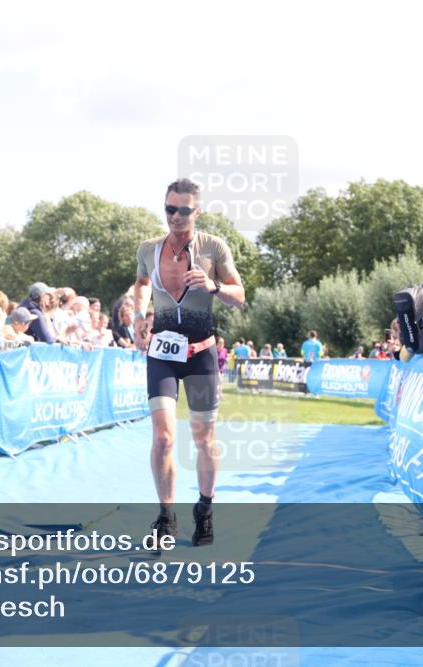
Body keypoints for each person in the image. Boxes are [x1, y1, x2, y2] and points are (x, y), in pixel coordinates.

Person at [133, 178, 245, 547]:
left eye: (184, 210)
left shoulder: (213, 247)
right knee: (163, 437)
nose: (176, 217)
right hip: (162, 354)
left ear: (197, 212)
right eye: (170, 209)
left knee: (203, 438)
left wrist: (214, 287)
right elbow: (141, 283)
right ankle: (166, 518)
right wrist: (138, 316)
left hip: (201, 355)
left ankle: (205, 509)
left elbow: (239, 296)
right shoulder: (149, 249)